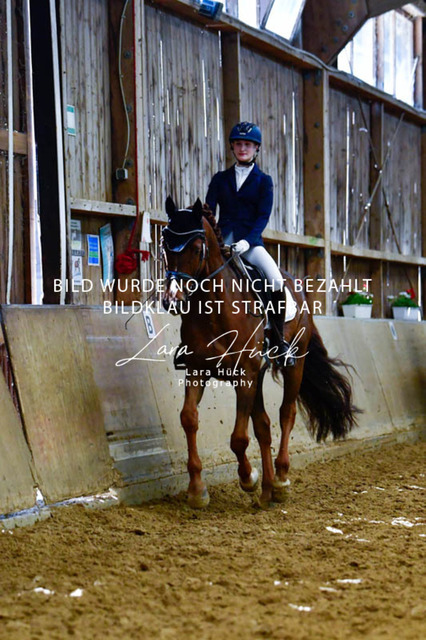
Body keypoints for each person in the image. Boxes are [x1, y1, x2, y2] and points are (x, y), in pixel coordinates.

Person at [206, 121, 295, 367]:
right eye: (238, 144)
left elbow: (263, 217)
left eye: (247, 144)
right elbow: (208, 213)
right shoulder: (220, 179)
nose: (242, 148)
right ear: (232, 147)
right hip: (223, 242)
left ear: (256, 148)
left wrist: (247, 242)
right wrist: (215, 239)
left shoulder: (264, 181)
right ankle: (193, 338)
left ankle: (278, 340)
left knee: (275, 280)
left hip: (251, 244)